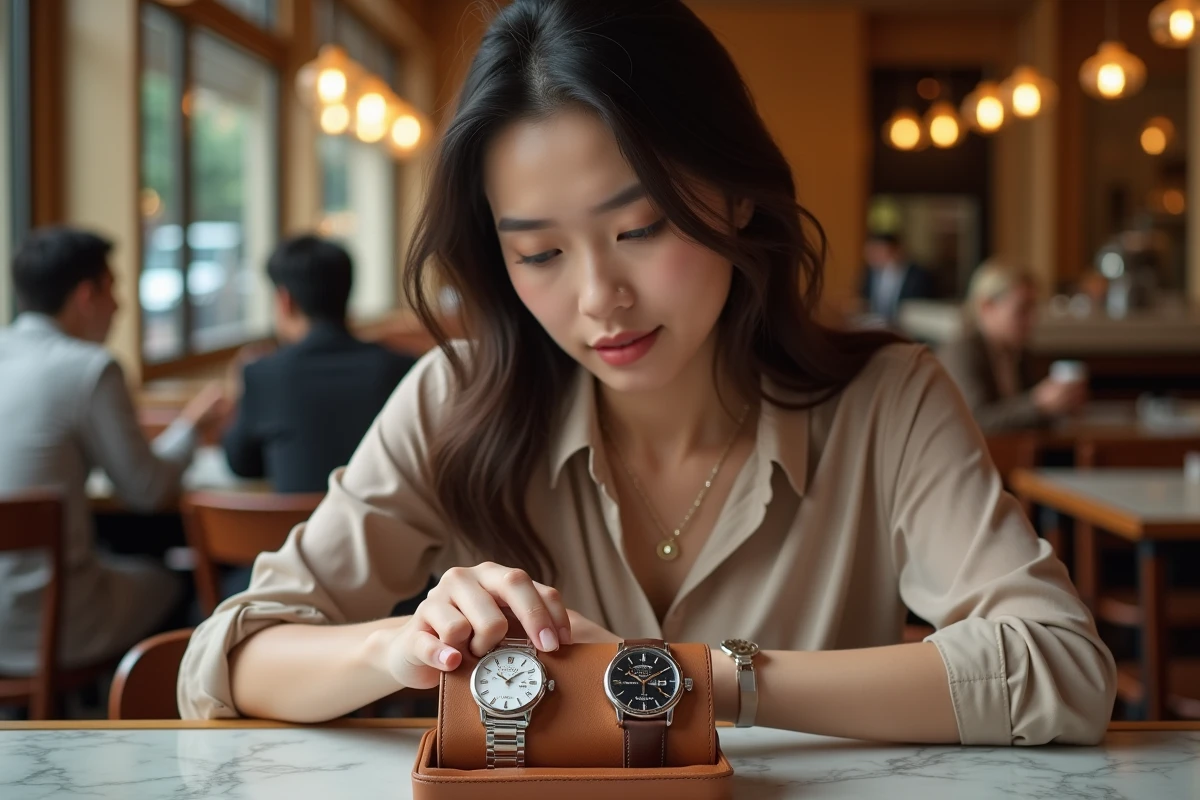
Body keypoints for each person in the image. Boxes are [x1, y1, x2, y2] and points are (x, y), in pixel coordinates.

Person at [179, 0, 1115, 745]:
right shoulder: (455, 398)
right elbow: (226, 660)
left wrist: (691, 676)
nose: (599, 300)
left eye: (640, 229)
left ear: (739, 196)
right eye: (539, 253)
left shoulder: (889, 402)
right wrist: (401, 643)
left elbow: (1061, 665)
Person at [0, 227, 227, 675]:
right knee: (178, 583)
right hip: (51, 623)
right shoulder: (90, 368)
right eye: (114, 289)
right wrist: (191, 427)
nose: (120, 306)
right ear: (87, 295)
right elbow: (147, 491)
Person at [221, 235, 417, 494]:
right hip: (383, 532)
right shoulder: (402, 369)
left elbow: (242, 465)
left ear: (284, 300)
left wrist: (237, 394)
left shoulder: (263, 374)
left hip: (297, 533)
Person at [939, 259, 1087, 434]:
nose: (1032, 320)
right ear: (987, 306)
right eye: (1023, 309)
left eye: (1033, 308)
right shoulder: (962, 352)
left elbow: (1025, 421)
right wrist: (1038, 404)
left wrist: (1060, 406)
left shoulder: (1021, 353)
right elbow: (976, 421)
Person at [858, 232, 938, 325]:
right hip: (875, 327)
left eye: (878, 251)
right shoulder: (869, 274)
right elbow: (863, 299)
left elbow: (923, 308)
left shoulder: (919, 276)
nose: (873, 257)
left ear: (895, 250)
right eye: (870, 252)